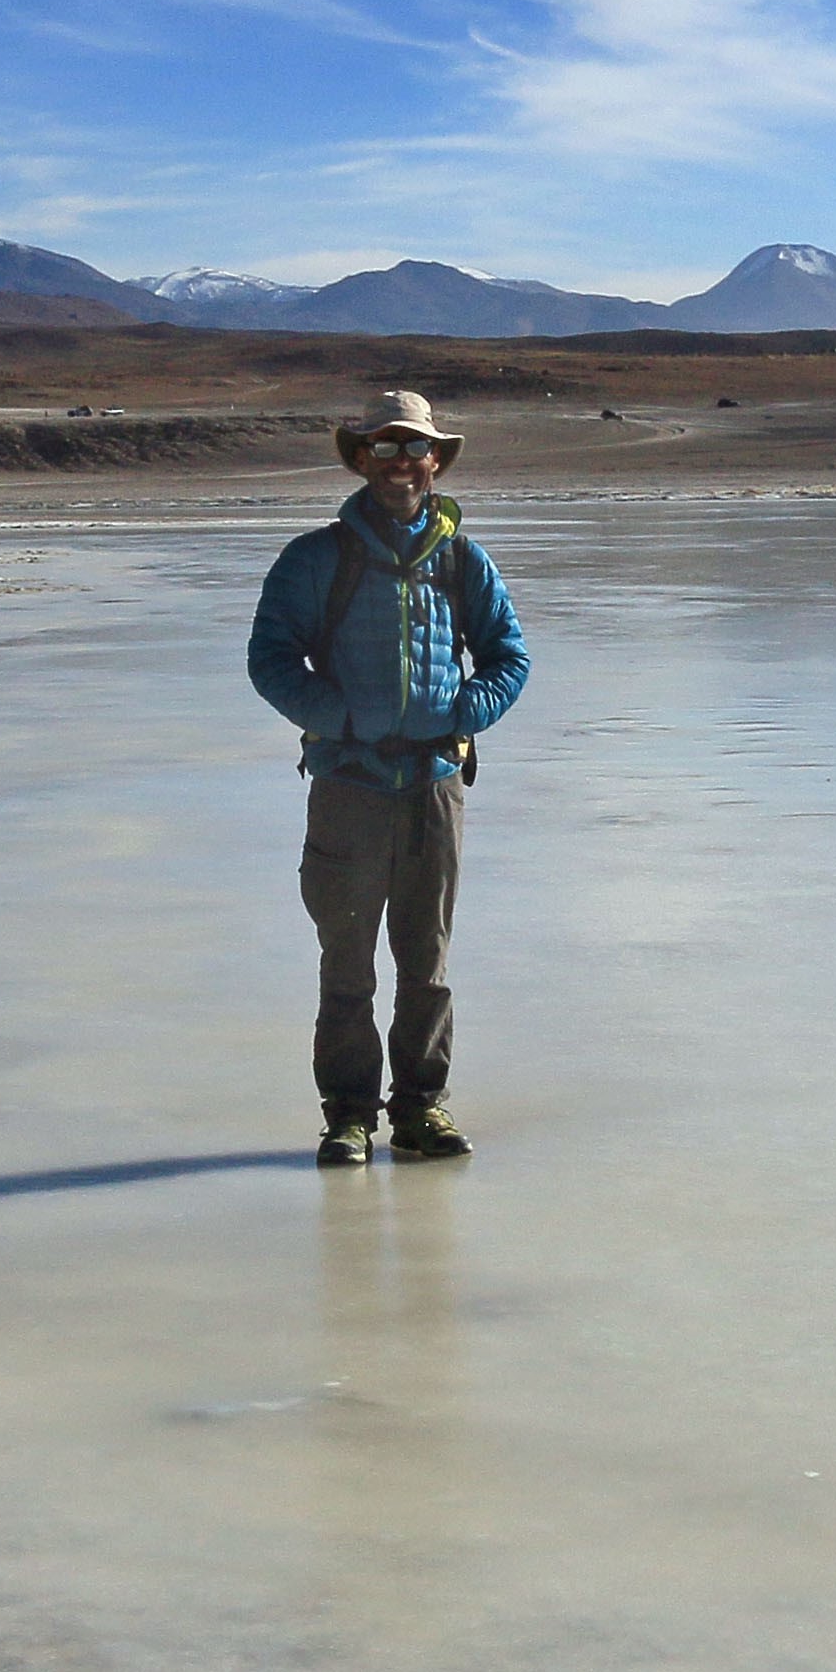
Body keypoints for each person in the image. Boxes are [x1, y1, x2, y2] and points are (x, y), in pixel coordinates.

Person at [244, 392, 530, 1167]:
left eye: (414, 449)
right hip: (348, 787)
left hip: (433, 786)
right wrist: (335, 717)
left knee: (424, 962)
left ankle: (419, 1110)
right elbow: (269, 658)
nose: (401, 462)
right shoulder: (314, 559)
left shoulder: (461, 559)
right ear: (360, 459)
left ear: (434, 461)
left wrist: (462, 713)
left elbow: (509, 656)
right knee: (346, 963)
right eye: (384, 448)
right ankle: (346, 1117)